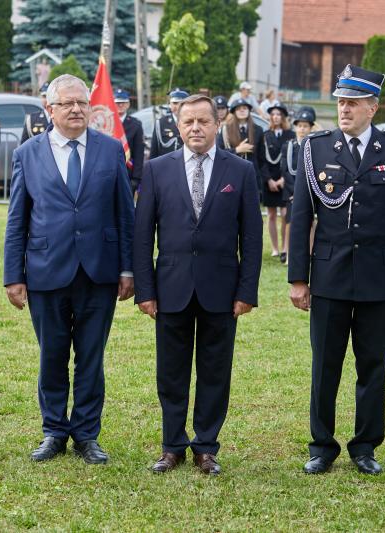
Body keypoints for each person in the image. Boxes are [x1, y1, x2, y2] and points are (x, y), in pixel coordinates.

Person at [289, 64, 385, 476]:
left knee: (373, 365)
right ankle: (321, 445)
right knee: (324, 366)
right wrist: (298, 278)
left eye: (353, 103)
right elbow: (301, 215)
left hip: (378, 276)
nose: (344, 109)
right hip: (329, 275)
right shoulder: (316, 148)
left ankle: (365, 446)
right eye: (341, 102)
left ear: (372, 108)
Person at [4, 74, 134, 464]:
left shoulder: (110, 150)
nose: (76, 109)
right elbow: (17, 219)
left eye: (82, 103)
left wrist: (128, 269)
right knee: (52, 356)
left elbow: (124, 214)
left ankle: (86, 434)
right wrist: (13, 276)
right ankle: (54, 431)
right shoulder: (27, 153)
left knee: (91, 357)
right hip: (46, 270)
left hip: (99, 271)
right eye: (67, 103)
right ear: (50, 109)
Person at [133, 94, 262, 476]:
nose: (195, 128)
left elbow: (251, 237)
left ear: (217, 124)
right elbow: (142, 236)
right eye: (188, 121)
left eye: (203, 121)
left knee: (215, 372)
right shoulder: (156, 169)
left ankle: (206, 446)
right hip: (170, 288)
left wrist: (246, 291)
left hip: (221, 290)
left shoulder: (240, 171)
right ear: (178, 125)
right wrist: (145, 290)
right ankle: (172, 445)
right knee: (170, 372)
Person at [280, 107, 314, 266]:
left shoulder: (314, 146)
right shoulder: (288, 146)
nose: (302, 129)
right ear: (295, 127)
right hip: (291, 191)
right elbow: (285, 170)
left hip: (309, 191)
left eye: (306, 126)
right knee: (290, 222)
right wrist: (295, 192)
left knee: (310, 222)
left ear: (311, 128)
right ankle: (287, 253)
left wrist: (304, 192)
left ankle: (311, 253)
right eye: (299, 126)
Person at [262, 102, 295, 261]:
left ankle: (284, 247)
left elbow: (291, 158)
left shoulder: (290, 135)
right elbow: (262, 159)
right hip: (269, 180)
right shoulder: (265, 135)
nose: (276, 117)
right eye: (273, 114)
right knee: (271, 215)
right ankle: (275, 248)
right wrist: (269, 180)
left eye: (279, 114)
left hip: (285, 180)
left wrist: (283, 179)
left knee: (285, 214)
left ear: (283, 117)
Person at [217, 98, 265, 195]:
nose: (242, 111)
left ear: (249, 111)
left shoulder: (258, 130)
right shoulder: (225, 130)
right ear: (234, 112)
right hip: (232, 175)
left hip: (252, 175)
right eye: (238, 109)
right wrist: (237, 150)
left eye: (245, 108)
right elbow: (218, 153)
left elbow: (261, 158)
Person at [114, 88, 145, 193]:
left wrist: (136, 179)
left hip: (128, 174)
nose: (120, 105)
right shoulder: (107, 124)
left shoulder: (135, 124)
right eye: (117, 103)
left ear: (128, 104)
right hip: (109, 174)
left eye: (123, 102)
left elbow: (139, 153)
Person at [150, 88, 188, 158]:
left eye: (181, 103)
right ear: (170, 104)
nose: (178, 107)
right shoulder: (160, 123)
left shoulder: (193, 123)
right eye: (175, 103)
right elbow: (154, 152)